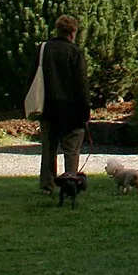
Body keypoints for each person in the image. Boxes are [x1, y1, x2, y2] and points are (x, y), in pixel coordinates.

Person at [37, 14, 91, 193]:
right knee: (71, 150)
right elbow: (81, 84)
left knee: (49, 149)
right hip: (70, 109)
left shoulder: (43, 49)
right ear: (73, 32)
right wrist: (85, 113)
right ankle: (70, 184)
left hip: (47, 106)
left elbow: (32, 77)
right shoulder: (75, 52)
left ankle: (47, 185)